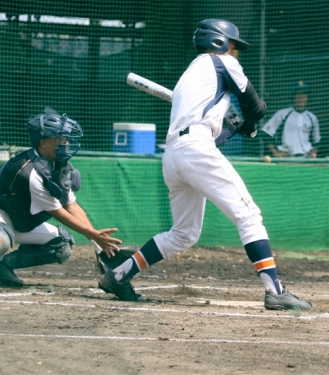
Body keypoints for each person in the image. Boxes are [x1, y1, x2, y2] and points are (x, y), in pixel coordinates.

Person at [97, 19, 313, 311]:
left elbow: (209, 135)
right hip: (194, 148)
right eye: (233, 45)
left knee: (184, 233)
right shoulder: (222, 62)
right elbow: (256, 106)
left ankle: (119, 275)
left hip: (175, 154)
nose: (234, 52)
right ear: (219, 42)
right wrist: (248, 124)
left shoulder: (189, 76)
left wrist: (234, 128)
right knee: (249, 215)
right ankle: (275, 291)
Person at [0, 113, 122, 289]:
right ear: (44, 143)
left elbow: (71, 205)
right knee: (0, 236)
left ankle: (1, 264)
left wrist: (97, 242)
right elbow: (58, 212)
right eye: (60, 138)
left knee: (62, 244)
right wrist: (92, 234)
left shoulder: (59, 166)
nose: (66, 142)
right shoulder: (30, 172)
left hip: (17, 220)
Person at [261, 80, 320, 158]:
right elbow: (265, 133)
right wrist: (275, 152)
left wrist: (313, 152)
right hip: (286, 158)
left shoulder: (312, 117)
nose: (301, 97)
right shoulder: (282, 114)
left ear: (308, 97)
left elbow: (317, 141)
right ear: (293, 96)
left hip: (305, 159)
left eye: (304, 94)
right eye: (298, 94)